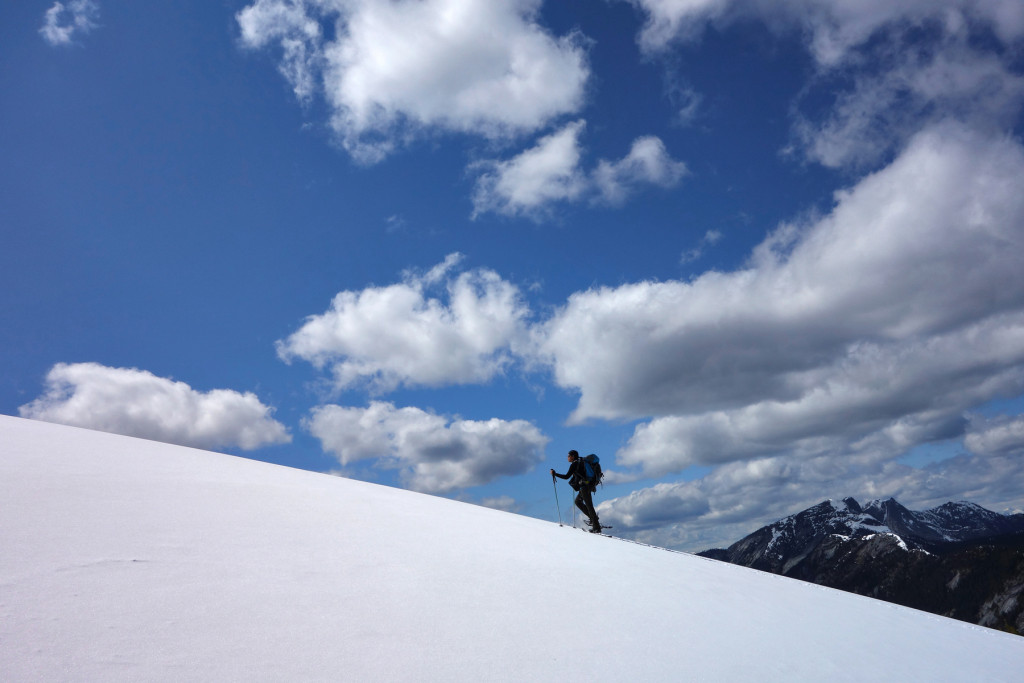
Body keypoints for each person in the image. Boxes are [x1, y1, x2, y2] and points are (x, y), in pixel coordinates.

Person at [551, 450, 601, 532]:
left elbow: (566, 476)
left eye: (568, 456)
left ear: (573, 456)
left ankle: (596, 527)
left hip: (585, 486)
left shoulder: (574, 464)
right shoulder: (581, 461)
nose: (567, 458)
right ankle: (593, 519)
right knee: (578, 502)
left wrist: (555, 474)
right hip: (587, 485)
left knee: (589, 505)